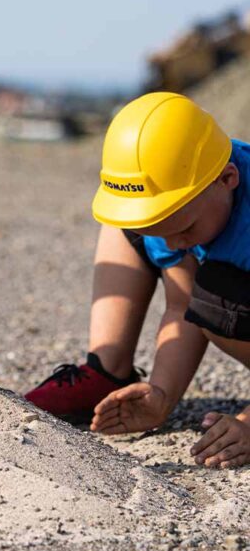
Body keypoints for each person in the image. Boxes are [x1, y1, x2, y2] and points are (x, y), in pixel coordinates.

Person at [25, 91, 250, 468]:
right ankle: (106, 368)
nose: (169, 244)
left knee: (216, 297)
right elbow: (182, 307)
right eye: (157, 232)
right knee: (127, 226)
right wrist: (161, 394)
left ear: (227, 178)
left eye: (183, 228)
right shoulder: (177, 214)